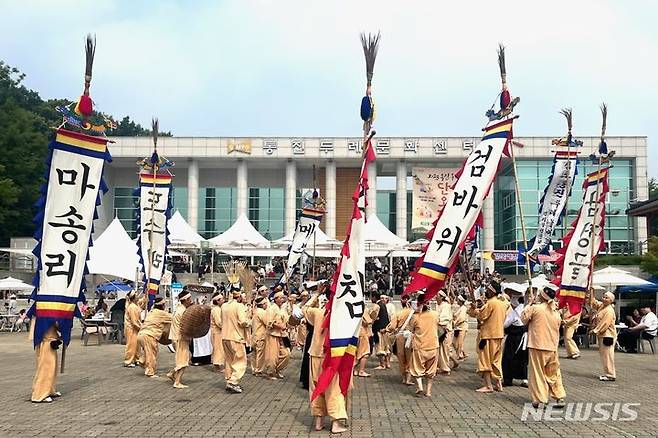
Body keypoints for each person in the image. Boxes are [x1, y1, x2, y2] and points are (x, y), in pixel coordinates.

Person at [303, 286, 349, 434]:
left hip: (316, 354)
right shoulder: (342, 314)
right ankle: (336, 423)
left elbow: (305, 308)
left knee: (316, 387)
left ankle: (319, 421)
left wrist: (316, 294)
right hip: (332, 356)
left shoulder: (318, 312)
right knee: (333, 389)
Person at [521, 287, 566, 408]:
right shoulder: (555, 312)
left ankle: (541, 399)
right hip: (552, 346)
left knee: (537, 373)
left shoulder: (536, 308)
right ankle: (559, 396)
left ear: (542, 296)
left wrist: (528, 304)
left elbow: (524, 319)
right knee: (554, 373)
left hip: (537, 345)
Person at [468, 281, 510, 393]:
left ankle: (488, 386)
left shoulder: (491, 303)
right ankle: (498, 384)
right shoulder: (503, 303)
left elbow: (482, 316)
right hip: (499, 335)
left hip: (488, 336)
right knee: (496, 361)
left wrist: (475, 309)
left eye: (488, 290)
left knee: (485, 361)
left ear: (492, 291)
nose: (486, 291)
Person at [408, 297, 439, 397]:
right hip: (433, 346)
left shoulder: (416, 316)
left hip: (420, 346)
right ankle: (428, 391)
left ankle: (420, 386)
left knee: (417, 368)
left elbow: (411, 329)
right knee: (431, 370)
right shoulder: (434, 314)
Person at [221, 289, 251, 393]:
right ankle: (233, 382)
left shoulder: (224, 306)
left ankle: (229, 380)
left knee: (229, 360)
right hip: (236, 337)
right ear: (239, 297)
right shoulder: (239, 306)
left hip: (225, 336)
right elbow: (242, 322)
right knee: (240, 361)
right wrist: (249, 322)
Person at [136, 297, 172, 378]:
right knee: (151, 354)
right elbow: (174, 318)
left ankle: (142, 361)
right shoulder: (161, 313)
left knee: (148, 351)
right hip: (149, 335)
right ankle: (150, 372)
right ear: (162, 306)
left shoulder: (151, 312)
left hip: (141, 334)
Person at [30, 320, 62, 403]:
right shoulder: (45, 312)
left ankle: (49, 389)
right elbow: (56, 324)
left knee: (52, 368)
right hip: (46, 341)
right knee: (46, 368)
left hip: (48, 340)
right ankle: (40, 394)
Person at [588, 290, 617, 381]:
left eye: (606, 298)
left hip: (607, 335)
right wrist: (591, 292)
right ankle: (608, 373)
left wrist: (595, 330)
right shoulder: (602, 306)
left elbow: (605, 323)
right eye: (603, 296)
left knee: (607, 355)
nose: (604, 299)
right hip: (603, 335)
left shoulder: (609, 310)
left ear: (611, 300)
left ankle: (610, 374)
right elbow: (594, 303)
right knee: (604, 355)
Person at [385, 294, 414, 385]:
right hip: (412, 336)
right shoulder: (415, 313)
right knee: (410, 357)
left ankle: (404, 378)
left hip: (401, 336)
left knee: (401, 357)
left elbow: (392, 326)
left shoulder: (399, 313)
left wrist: (386, 329)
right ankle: (409, 377)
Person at [167, 290, 193, 388]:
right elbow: (184, 327)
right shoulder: (182, 311)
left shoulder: (179, 308)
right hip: (180, 338)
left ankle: (172, 373)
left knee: (184, 358)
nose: (191, 300)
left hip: (176, 338)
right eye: (189, 299)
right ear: (186, 300)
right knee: (183, 361)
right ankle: (177, 382)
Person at [501, 291, 528, 387]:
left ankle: (508, 379)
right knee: (523, 359)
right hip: (525, 338)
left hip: (514, 339)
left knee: (509, 358)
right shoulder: (527, 309)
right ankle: (525, 379)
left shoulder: (515, 313)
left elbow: (505, 324)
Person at [264, 291, 290, 380]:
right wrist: (279, 325)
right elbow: (269, 322)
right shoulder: (271, 309)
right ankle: (270, 373)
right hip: (273, 334)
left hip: (282, 335)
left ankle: (277, 369)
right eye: (281, 298)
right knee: (272, 356)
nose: (282, 299)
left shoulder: (283, 309)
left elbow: (287, 320)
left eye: (283, 298)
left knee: (286, 354)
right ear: (275, 299)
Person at [354, 297, 379, 377]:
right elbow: (368, 322)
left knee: (357, 353)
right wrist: (373, 317)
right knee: (365, 353)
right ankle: (361, 371)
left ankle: (355, 370)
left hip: (356, 333)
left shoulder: (353, 310)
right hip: (363, 334)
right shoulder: (363, 310)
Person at [436, 290, 454, 374]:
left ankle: (446, 368)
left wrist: (437, 320)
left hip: (445, 331)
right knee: (440, 351)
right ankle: (441, 367)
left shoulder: (446, 306)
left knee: (444, 351)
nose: (436, 297)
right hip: (439, 331)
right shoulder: (439, 306)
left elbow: (445, 319)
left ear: (442, 297)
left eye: (437, 295)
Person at [372, 292, 391, 370]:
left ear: (374, 297)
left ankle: (382, 364)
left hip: (379, 329)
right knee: (386, 347)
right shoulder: (383, 305)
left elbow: (372, 316)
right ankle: (388, 363)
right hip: (385, 328)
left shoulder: (377, 306)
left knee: (379, 347)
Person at [123, 291, 142, 367]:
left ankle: (136, 359)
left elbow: (143, 302)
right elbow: (134, 322)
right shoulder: (132, 307)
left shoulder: (135, 305)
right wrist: (141, 327)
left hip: (135, 327)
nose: (138, 297)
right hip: (131, 328)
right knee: (131, 345)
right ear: (134, 297)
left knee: (137, 345)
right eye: (137, 295)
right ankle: (128, 361)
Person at [251, 296, 269, 376]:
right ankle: (258, 370)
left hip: (255, 335)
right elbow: (267, 322)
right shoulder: (262, 312)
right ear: (263, 304)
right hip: (260, 336)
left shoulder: (255, 311)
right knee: (260, 354)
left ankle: (254, 369)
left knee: (254, 354)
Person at [210, 293, 225, 371]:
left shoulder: (218, 309)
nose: (223, 300)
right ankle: (217, 366)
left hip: (218, 332)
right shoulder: (216, 310)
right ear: (217, 301)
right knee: (218, 349)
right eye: (221, 299)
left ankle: (218, 365)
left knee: (219, 348)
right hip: (217, 332)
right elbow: (218, 322)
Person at [452, 295, 469, 360]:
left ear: (461, 301)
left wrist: (455, 322)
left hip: (462, 327)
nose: (457, 301)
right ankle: (463, 354)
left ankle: (460, 355)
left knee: (459, 343)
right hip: (458, 327)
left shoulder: (463, 308)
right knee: (454, 342)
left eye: (458, 300)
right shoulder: (461, 308)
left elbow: (461, 318)